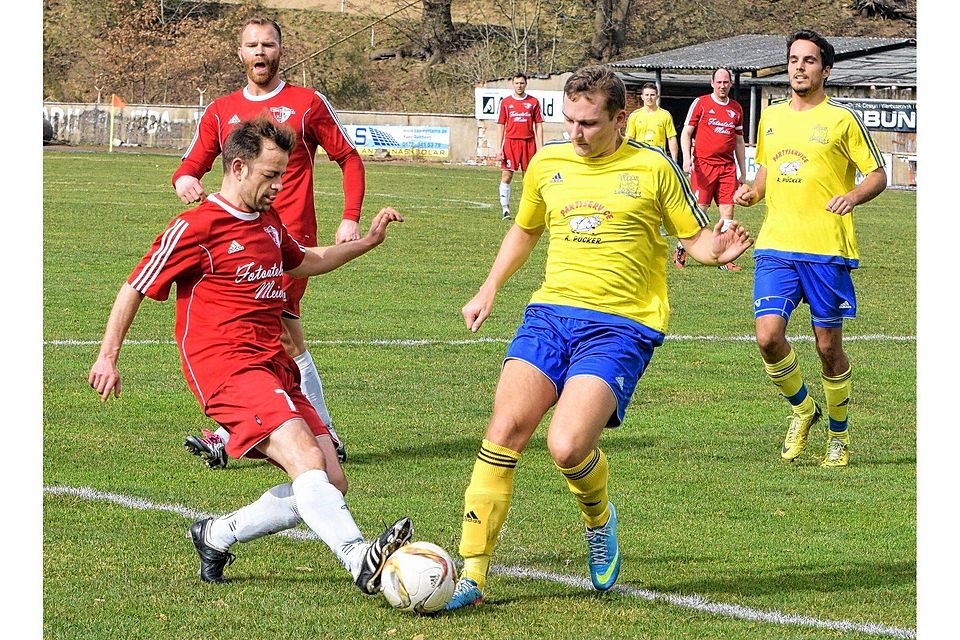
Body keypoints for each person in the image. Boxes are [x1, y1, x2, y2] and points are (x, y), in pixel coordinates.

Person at [444, 65, 752, 611]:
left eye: (588, 123)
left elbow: (696, 238)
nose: (576, 134)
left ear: (620, 118)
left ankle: (598, 517)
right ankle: (471, 575)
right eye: (569, 121)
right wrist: (490, 286)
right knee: (505, 428)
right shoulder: (548, 162)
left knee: (566, 446)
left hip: (622, 325)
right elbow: (526, 228)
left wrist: (718, 251)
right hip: (550, 314)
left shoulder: (654, 168)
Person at [88, 117, 411, 587]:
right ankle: (357, 557)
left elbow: (304, 262)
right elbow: (135, 285)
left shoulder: (267, 221)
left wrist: (366, 244)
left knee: (331, 481)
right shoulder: (195, 227)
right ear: (237, 167)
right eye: (271, 175)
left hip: (274, 367)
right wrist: (107, 356)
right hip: (226, 369)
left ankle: (217, 533)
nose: (279, 186)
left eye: (283, 174)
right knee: (306, 457)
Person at [175, 16, 362, 468]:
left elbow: (349, 158)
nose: (260, 52)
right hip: (236, 241)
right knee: (266, 337)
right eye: (252, 45)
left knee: (279, 334)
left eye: (268, 44)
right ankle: (266, 428)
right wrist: (184, 179)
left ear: (282, 50)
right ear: (239, 53)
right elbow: (193, 162)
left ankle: (309, 433)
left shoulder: (305, 103)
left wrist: (350, 217)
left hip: (288, 242)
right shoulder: (222, 110)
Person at [734, 30, 887, 467]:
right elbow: (764, 177)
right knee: (767, 336)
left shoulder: (841, 120)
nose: (799, 67)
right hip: (776, 245)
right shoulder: (771, 118)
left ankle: (838, 436)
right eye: (794, 59)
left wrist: (852, 196)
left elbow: (877, 174)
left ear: (825, 70)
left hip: (826, 249)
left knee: (827, 348)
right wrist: (751, 193)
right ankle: (803, 409)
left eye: (809, 60)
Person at [677, 68, 747, 271]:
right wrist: (687, 158)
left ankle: (723, 259)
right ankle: (682, 248)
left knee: (728, 210)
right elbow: (686, 133)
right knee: (701, 211)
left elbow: (739, 141)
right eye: (719, 82)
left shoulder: (736, 109)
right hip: (703, 166)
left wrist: (742, 170)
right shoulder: (701, 103)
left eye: (726, 82)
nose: (722, 86)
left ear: (730, 84)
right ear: (712, 82)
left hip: (727, 167)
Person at [496, 72, 544, 220]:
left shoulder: (533, 102)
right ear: (512, 84)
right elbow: (501, 125)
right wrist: (499, 148)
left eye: (522, 83)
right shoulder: (506, 103)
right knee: (507, 175)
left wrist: (540, 148)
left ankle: (526, 211)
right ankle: (505, 210)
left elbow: (539, 125)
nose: (519, 86)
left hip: (529, 143)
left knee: (528, 178)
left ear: (526, 84)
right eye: (517, 83)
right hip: (511, 143)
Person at [625, 82, 678, 162]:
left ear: (657, 97)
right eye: (646, 95)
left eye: (652, 95)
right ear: (642, 97)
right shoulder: (634, 115)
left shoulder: (665, 115)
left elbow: (671, 139)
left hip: (659, 158)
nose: (649, 98)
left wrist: (674, 161)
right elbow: (629, 139)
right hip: (640, 158)